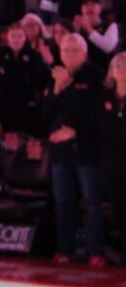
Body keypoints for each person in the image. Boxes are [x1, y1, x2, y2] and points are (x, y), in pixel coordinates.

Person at [44, 32, 105, 266]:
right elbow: (44, 114)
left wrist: (68, 87)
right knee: (63, 201)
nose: (69, 54)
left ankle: (95, 252)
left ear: (85, 52)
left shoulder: (95, 76)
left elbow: (93, 115)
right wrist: (56, 91)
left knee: (92, 202)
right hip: (61, 152)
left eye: (74, 50)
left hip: (87, 150)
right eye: (65, 50)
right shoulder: (54, 76)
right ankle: (66, 250)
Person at [98, 52, 126, 266]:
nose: (122, 68)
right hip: (112, 166)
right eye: (117, 64)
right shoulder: (105, 97)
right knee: (119, 213)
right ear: (111, 71)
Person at [0, 22, 46, 135]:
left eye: (19, 36)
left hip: (25, 101)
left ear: (24, 38)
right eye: (13, 36)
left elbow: (34, 80)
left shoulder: (32, 54)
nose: (16, 39)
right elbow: (0, 79)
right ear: (7, 37)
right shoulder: (0, 54)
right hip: (6, 101)